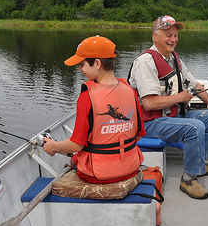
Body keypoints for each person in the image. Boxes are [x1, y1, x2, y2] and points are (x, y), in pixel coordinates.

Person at [128, 15, 208, 199]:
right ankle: (188, 178)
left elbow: (195, 85)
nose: (173, 39)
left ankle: (203, 162)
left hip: (172, 117)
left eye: (175, 35)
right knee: (195, 127)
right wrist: (180, 97)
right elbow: (149, 103)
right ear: (155, 36)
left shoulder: (174, 58)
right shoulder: (146, 62)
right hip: (151, 124)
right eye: (168, 35)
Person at [43, 35, 146, 184]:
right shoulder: (130, 91)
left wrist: (54, 146)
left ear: (97, 63)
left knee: (76, 158)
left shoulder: (87, 97)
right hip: (131, 168)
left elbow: (77, 145)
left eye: (82, 64)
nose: (79, 68)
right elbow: (138, 136)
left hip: (97, 174)